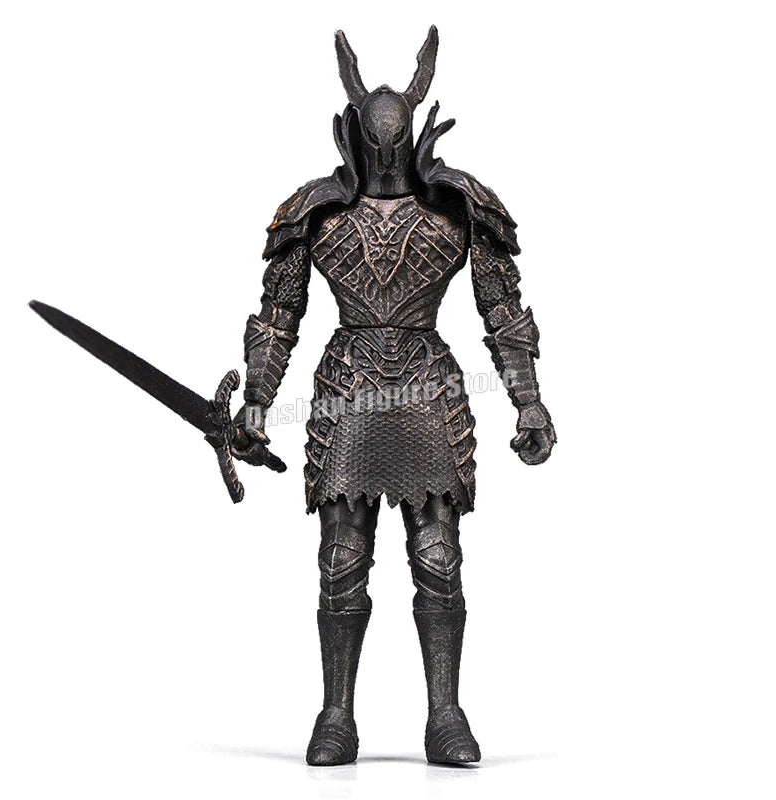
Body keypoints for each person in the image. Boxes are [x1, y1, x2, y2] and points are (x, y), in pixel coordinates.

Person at [233, 26, 556, 766]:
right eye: (375, 144)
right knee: (340, 559)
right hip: (347, 387)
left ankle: (445, 713)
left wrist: (528, 400)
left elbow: (502, 311)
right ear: (354, 137)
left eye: (393, 143)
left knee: (439, 559)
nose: (384, 158)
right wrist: (257, 398)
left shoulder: (457, 209)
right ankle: (336, 714)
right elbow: (279, 317)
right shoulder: (316, 213)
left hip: (427, 386)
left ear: (412, 137)